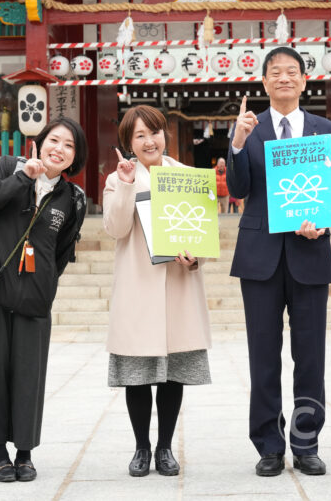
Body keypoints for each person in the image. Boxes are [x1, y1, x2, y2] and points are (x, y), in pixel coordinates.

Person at [226, 46, 331, 477]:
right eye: (274, 73)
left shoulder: (325, 129)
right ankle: (269, 445)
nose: (283, 78)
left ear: (303, 80)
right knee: (263, 356)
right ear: (264, 82)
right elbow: (238, 190)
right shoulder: (248, 128)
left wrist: (322, 223)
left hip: (309, 253)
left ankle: (307, 441)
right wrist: (237, 142)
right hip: (260, 259)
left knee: (311, 355)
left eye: (291, 72)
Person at [0, 117, 88, 483]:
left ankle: (25, 453)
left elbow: (60, 252)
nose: (59, 149)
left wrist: (42, 282)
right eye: (54, 140)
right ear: (40, 142)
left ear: (75, 158)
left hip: (33, 300)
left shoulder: (72, 199)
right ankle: (0, 454)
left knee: (28, 376)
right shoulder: (6, 167)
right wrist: (22, 178)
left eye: (69, 145)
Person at [103, 105, 212, 477]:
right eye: (140, 135)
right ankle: (141, 448)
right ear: (128, 143)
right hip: (138, 291)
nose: (150, 140)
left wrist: (194, 257)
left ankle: (165, 447)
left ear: (165, 135)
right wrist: (128, 183)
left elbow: (201, 235)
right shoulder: (118, 179)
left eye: (155, 132)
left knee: (172, 374)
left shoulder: (187, 177)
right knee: (138, 375)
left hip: (179, 288)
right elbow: (116, 229)